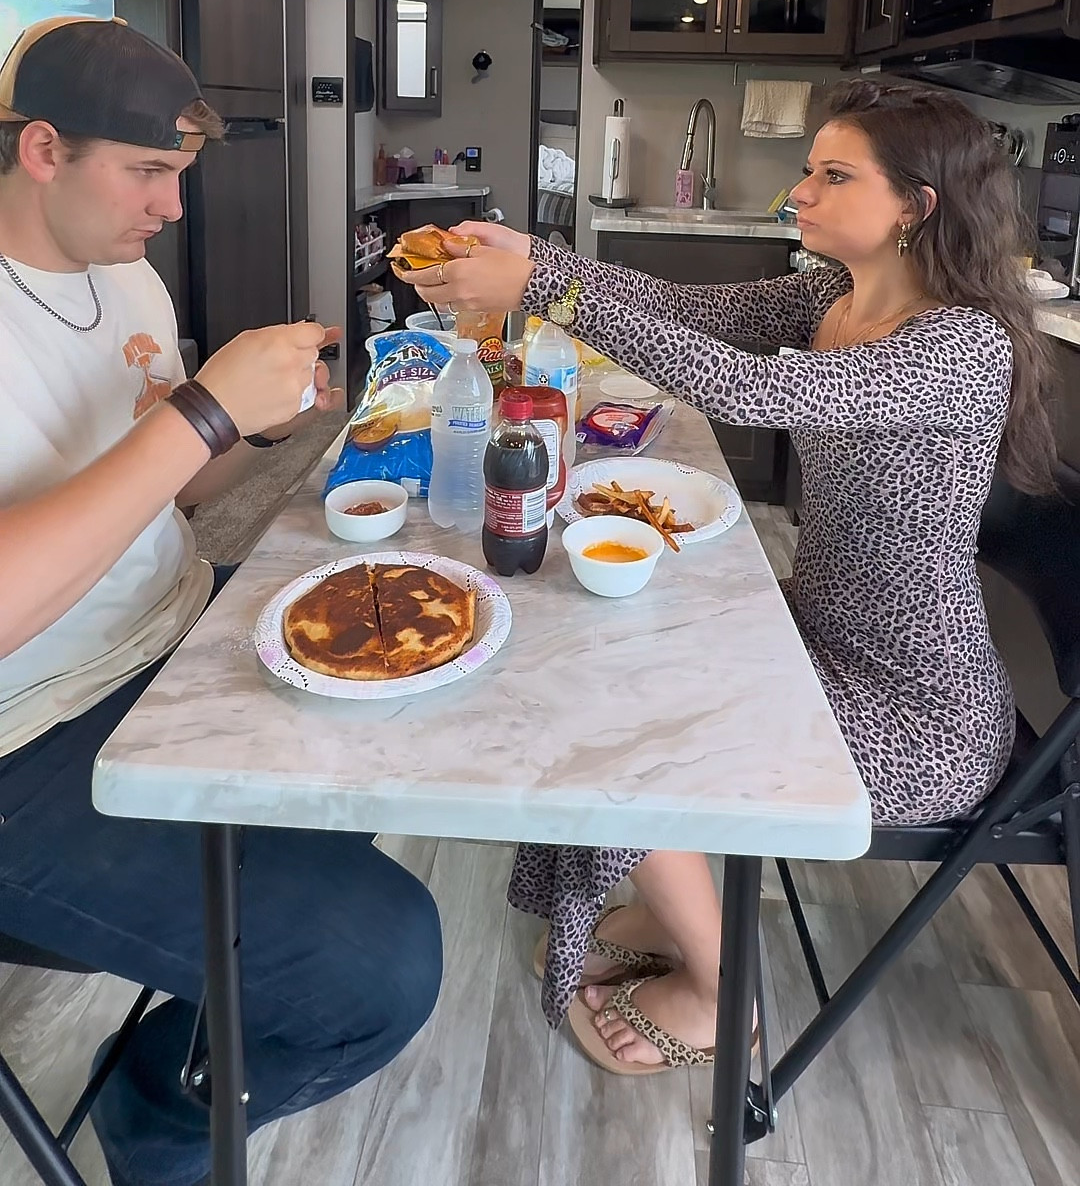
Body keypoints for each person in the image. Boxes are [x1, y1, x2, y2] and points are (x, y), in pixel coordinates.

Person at [410, 79, 1055, 1075]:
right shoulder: (828, 295)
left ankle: (722, 987)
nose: (800, 193)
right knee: (605, 661)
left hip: (917, 710)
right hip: (812, 628)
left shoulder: (960, 345)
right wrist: (535, 259)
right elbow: (678, 304)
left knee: (629, 735)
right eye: (810, 170)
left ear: (917, 207)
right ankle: (671, 916)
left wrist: (546, 293)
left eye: (834, 176)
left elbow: (750, 386)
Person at [0, 16, 441, 1186]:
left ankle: (210, 1016)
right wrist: (204, 406)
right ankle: (158, 1130)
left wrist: (268, 422)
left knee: (406, 660)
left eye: (179, 178)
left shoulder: (121, 268)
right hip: (26, 731)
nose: (173, 211)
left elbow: (164, 497)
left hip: (169, 628)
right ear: (44, 149)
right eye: (148, 175)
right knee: (384, 965)